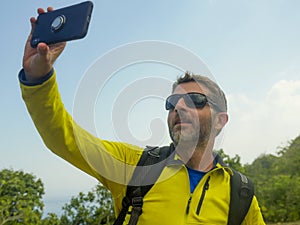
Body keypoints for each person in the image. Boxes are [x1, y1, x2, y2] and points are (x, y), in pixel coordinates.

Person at [19, 7, 265, 225]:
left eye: (195, 101)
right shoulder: (135, 166)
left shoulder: (240, 192)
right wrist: (38, 78)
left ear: (221, 120)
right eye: (172, 102)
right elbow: (63, 138)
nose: (180, 107)